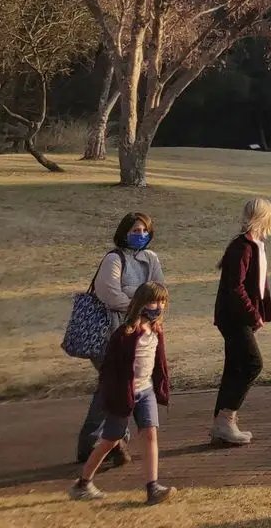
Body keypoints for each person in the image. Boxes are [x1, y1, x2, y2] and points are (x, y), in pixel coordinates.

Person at [69, 282, 176, 505]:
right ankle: (83, 483)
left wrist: (161, 385)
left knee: (150, 433)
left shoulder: (156, 330)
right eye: (153, 302)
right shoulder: (124, 334)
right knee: (110, 440)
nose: (158, 307)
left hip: (145, 391)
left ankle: (153, 487)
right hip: (123, 393)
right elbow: (109, 369)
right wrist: (113, 395)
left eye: (162, 302)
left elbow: (159, 362)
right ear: (140, 304)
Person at [76, 212, 165, 468]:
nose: (140, 235)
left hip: (138, 335)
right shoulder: (113, 259)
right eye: (135, 231)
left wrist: (140, 301)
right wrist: (140, 303)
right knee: (115, 386)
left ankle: (105, 442)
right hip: (110, 335)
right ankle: (105, 442)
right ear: (124, 232)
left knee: (114, 387)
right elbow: (110, 294)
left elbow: (159, 291)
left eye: (144, 231)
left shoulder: (151, 258)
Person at [210, 196, 271, 446]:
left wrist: (260, 312)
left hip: (239, 317)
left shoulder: (255, 245)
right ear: (264, 218)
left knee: (235, 366)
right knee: (252, 364)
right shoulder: (242, 248)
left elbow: (258, 284)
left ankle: (221, 425)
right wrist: (253, 314)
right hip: (234, 318)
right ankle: (226, 419)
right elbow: (235, 288)